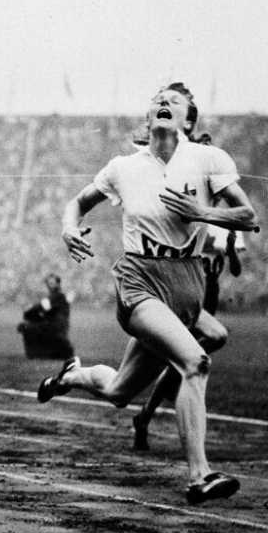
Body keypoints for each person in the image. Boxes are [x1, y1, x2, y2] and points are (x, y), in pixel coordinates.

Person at [36, 82, 257, 504]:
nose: (162, 103)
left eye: (173, 101)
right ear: (148, 115)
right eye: (157, 99)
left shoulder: (209, 159)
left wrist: (203, 213)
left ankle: (73, 376)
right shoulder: (124, 166)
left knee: (120, 391)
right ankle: (200, 475)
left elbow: (247, 215)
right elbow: (77, 204)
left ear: (188, 119)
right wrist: (68, 229)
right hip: (139, 280)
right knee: (195, 361)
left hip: (188, 283)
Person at [130, 223, 245, 451]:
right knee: (183, 360)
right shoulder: (189, 218)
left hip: (208, 298)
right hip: (182, 295)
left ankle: (144, 417)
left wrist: (231, 250)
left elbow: (236, 270)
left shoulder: (227, 223)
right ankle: (144, 417)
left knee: (183, 363)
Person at [17, 273, 74, 359]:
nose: (49, 285)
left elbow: (38, 308)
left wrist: (28, 311)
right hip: (57, 329)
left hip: (55, 329)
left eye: (51, 283)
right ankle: (43, 352)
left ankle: (35, 354)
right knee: (33, 324)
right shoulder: (59, 296)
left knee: (24, 326)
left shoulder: (57, 296)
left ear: (58, 284)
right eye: (48, 283)